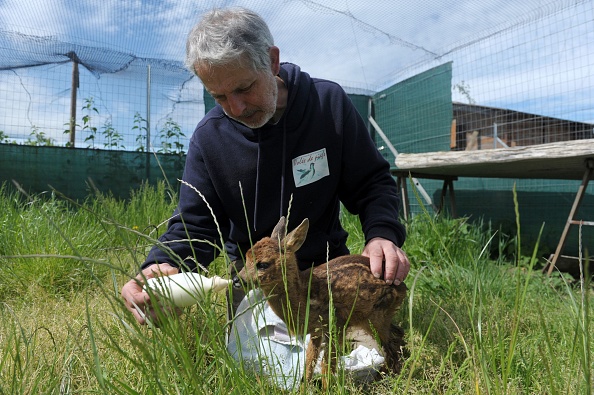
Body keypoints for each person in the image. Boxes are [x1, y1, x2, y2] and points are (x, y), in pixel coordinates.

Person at [121, 6, 410, 384]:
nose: (236, 108)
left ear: (272, 61)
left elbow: (373, 183)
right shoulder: (210, 139)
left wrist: (382, 234)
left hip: (331, 282)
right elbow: (194, 226)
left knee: (360, 369)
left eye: (244, 88)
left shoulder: (328, 106)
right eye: (219, 97)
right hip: (256, 284)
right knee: (270, 371)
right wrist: (162, 267)